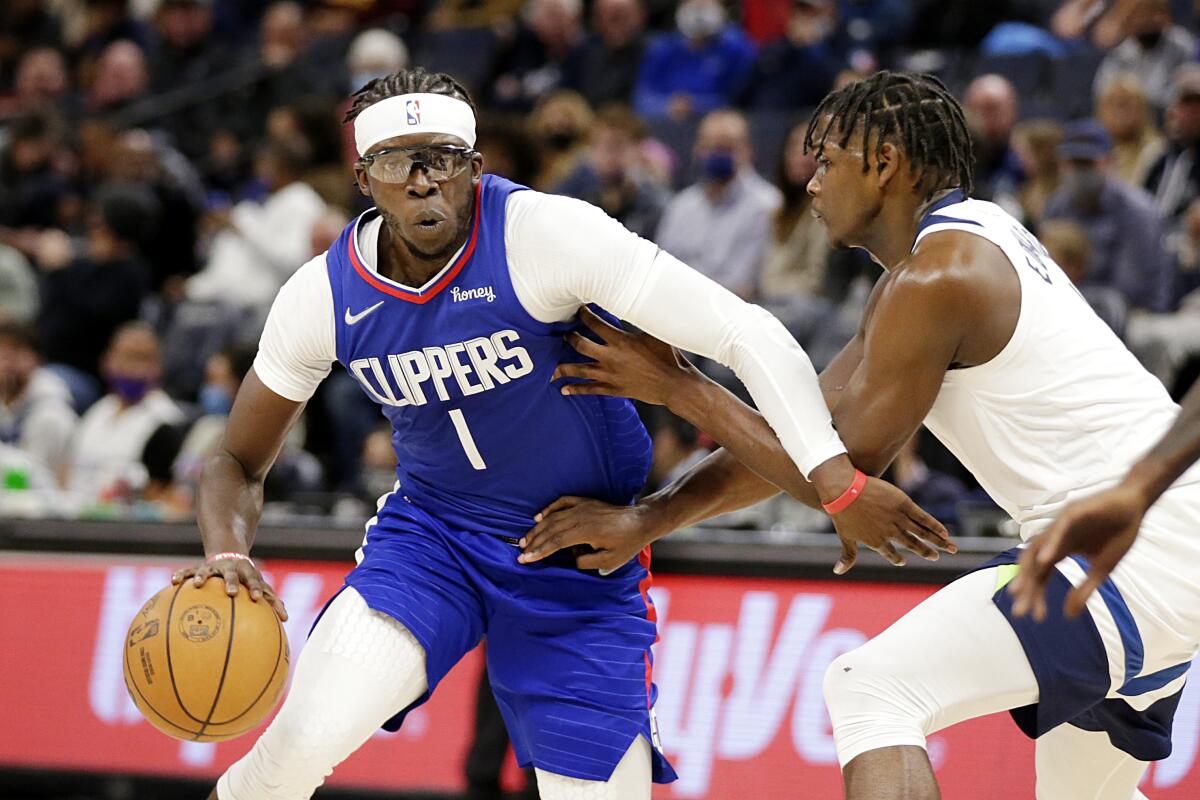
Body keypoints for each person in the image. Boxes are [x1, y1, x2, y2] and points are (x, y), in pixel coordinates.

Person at [171, 67, 946, 800]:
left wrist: (834, 478)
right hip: (434, 538)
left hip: (582, 558)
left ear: (474, 167)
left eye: (444, 160)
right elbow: (237, 458)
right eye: (400, 162)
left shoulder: (546, 237)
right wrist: (228, 554)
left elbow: (747, 332)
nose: (424, 180)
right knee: (304, 738)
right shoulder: (322, 294)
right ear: (363, 178)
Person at [521, 70, 1200, 799]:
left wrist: (682, 387)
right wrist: (650, 518)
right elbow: (810, 434)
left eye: (828, 160)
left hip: (1133, 548)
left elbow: (840, 472)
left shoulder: (940, 277)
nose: (811, 184)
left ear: (883, 165)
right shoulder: (951, 253)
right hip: (1154, 544)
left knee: (871, 689)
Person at [655, 109, 781, 298]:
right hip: (675, 306)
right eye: (710, 146)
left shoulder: (767, 204)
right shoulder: (681, 205)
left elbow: (746, 284)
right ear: (697, 149)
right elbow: (659, 268)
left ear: (747, 150)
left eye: (726, 147)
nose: (717, 154)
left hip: (734, 313)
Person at [70, 322, 184, 502]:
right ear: (107, 361)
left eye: (144, 359)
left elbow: (167, 492)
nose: (136, 369)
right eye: (128, 357)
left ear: (159, 367)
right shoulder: (97, 412)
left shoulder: (167, 420)